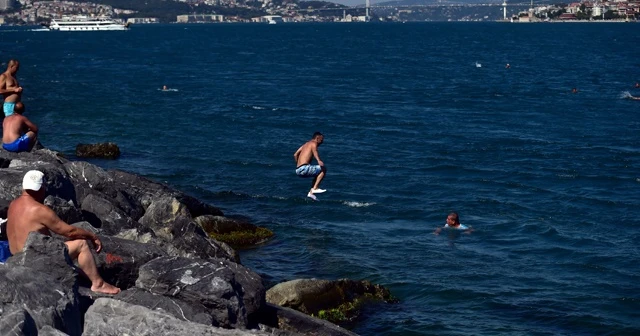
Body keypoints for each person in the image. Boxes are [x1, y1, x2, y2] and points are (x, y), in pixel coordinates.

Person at [6, 170, 121, 294]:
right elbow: (70, 231)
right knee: (81, 244)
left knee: (52, 241)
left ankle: (81, 271)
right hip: (34, 262)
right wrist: (92, 236)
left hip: (16, 259)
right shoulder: (39, 210)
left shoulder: (13, 204)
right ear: (41, 188)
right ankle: (99, 284)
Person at [294, 132, 327, 201]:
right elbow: (315, 152)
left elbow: (295, 154)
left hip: (298, 170)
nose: (322, 142)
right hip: (304, 169)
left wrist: (298, 165)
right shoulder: (314, 143)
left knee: (317, 173)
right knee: (323, 169)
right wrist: (319, 160)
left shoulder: (306, 144)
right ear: (317, 138)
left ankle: (311, 193)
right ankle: (315, 188)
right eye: (321, 140)